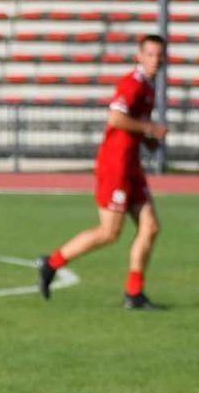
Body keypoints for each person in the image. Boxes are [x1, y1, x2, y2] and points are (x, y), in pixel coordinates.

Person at [38, 34, 169, 310]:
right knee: (110, 232)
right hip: (116, 166)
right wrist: (149, 130)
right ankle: (51, 264)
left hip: (132, 164)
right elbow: (115, 118)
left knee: (151, 226)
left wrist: (149, 139)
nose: (155, 60)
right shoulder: (132, 84)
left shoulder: (148, 86)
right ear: (139, 56)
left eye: (159, 55)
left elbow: (136, 123)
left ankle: (134, 294)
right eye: (150, 54)